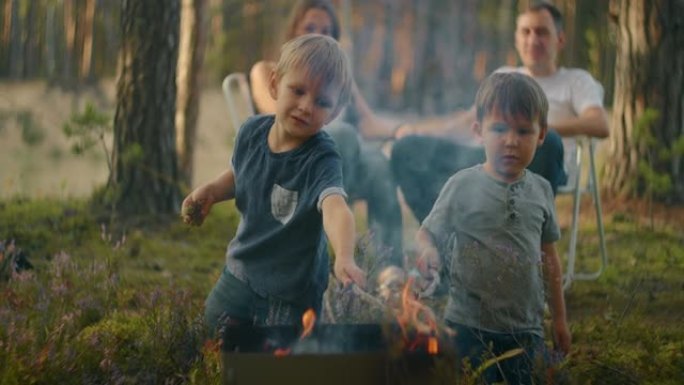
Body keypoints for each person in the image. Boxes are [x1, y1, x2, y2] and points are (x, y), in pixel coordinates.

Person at [182, 34, 366, 334]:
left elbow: (335, 207)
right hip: (241, 269)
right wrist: (212, 192)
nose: (306, 106)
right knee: (212, 335)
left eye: (322, 102)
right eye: (298, 90)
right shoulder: (251, 132)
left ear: (334, 111)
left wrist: (345, 255)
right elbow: (241, 174)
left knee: (276, 359)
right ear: (274, 84)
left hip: (291, 292)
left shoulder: (321, 157)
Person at [391, 1, 609, 223]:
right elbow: (468, 122)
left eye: (542, 32)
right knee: (405, 147)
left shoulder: (575, 81)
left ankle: (521, 238)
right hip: (485, 158)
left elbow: (599, 123)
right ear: (516, 38)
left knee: (549, 141)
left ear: (560, 39)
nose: (533, 40)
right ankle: (444, 239)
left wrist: (531, 132)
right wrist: (418, 131)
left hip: (538, 160)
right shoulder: (504, 76)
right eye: (526, 32)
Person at [415, 72, 571, 384]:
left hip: (525, 330)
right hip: (467, 325)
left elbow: (549, 259)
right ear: (478, 131)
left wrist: (560, 320)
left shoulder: (541, 190)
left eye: (524, 131)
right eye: (499, 128)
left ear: (542, 135)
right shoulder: (462, 185)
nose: (511, 140)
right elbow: (426, 233)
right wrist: (428, 251)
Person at [250, 0, 404, 267]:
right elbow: (276, 112)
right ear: (293, 30)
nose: (317, 35)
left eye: (326, 31)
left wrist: (404, 131)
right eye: (309, 27)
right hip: (293, 168)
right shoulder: (268, 70)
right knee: (341, 133)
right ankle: (313, 253)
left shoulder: (339, 80)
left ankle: (388, 269)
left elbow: (369, 123)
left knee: (378, 163)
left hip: (339, 169)